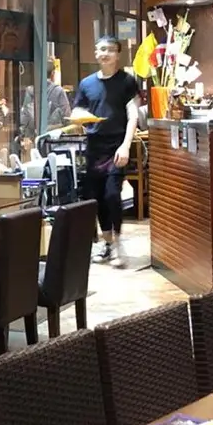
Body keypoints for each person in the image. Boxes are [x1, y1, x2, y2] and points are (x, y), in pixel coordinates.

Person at [74, 36, 139, 266]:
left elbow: (133, 115)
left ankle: (119, 245)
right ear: (95, 53)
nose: (105, 53)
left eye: (110, 50)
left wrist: (126, 145)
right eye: (101, 49)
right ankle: (108, 244)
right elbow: (78, 111)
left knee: (112, 194)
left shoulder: (127, 81)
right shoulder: (86, 84)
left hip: (117, 146)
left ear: (118, 54)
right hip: (94, 147)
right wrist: (79, 118)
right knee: (98, 198)